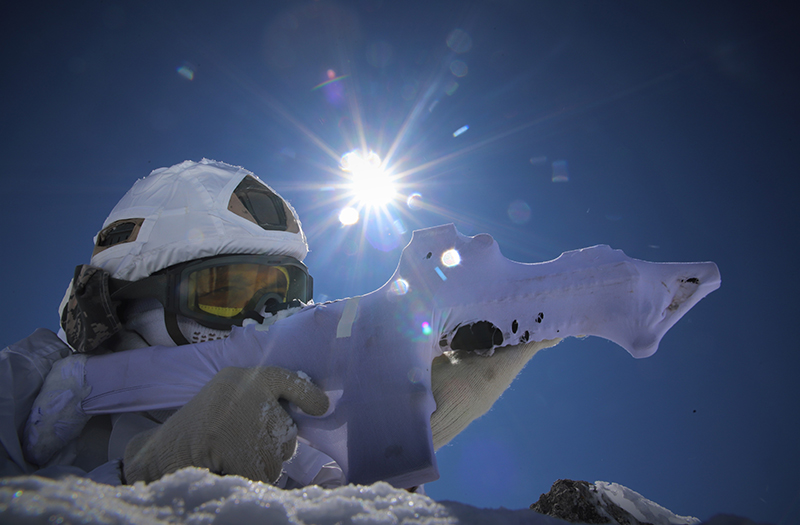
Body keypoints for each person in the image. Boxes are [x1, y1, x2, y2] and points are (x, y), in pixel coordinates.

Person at [1, 159, 561, 487]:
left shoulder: (294, 440)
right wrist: (143, 477)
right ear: (121, 306)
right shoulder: (15, 396)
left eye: (283, 297)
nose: (263, 322)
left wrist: (403, 423)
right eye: (226, 293)